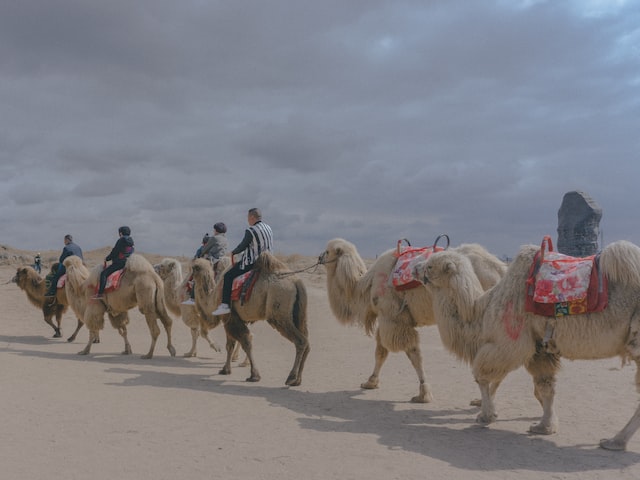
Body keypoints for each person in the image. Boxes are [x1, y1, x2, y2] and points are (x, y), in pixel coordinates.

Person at [212, 208, 273, 315]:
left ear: (252, 217)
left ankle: (225, 305)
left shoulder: (251, 230)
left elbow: (243, 246)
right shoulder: (269, 228)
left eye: (248, 217)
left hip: (253, 262)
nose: (248, 220)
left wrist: (233, 252)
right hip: (269, 262)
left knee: (228, 276)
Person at [182, 222, 229, 306]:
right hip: (221, 260)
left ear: (216, 230)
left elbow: (204, 249)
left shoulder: (214, 238)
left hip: (211, 260)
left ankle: (192, 298)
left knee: (197, 274)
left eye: (214, 229)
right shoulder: (226, 239)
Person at [92, 226, 134, 300]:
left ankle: (100, 293)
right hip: (128, 262)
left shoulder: (121, 240)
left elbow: (115, 252)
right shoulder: (131, 242)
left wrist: (107, 258)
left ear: (120, 233)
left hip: (119, 263)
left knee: (103, 274)